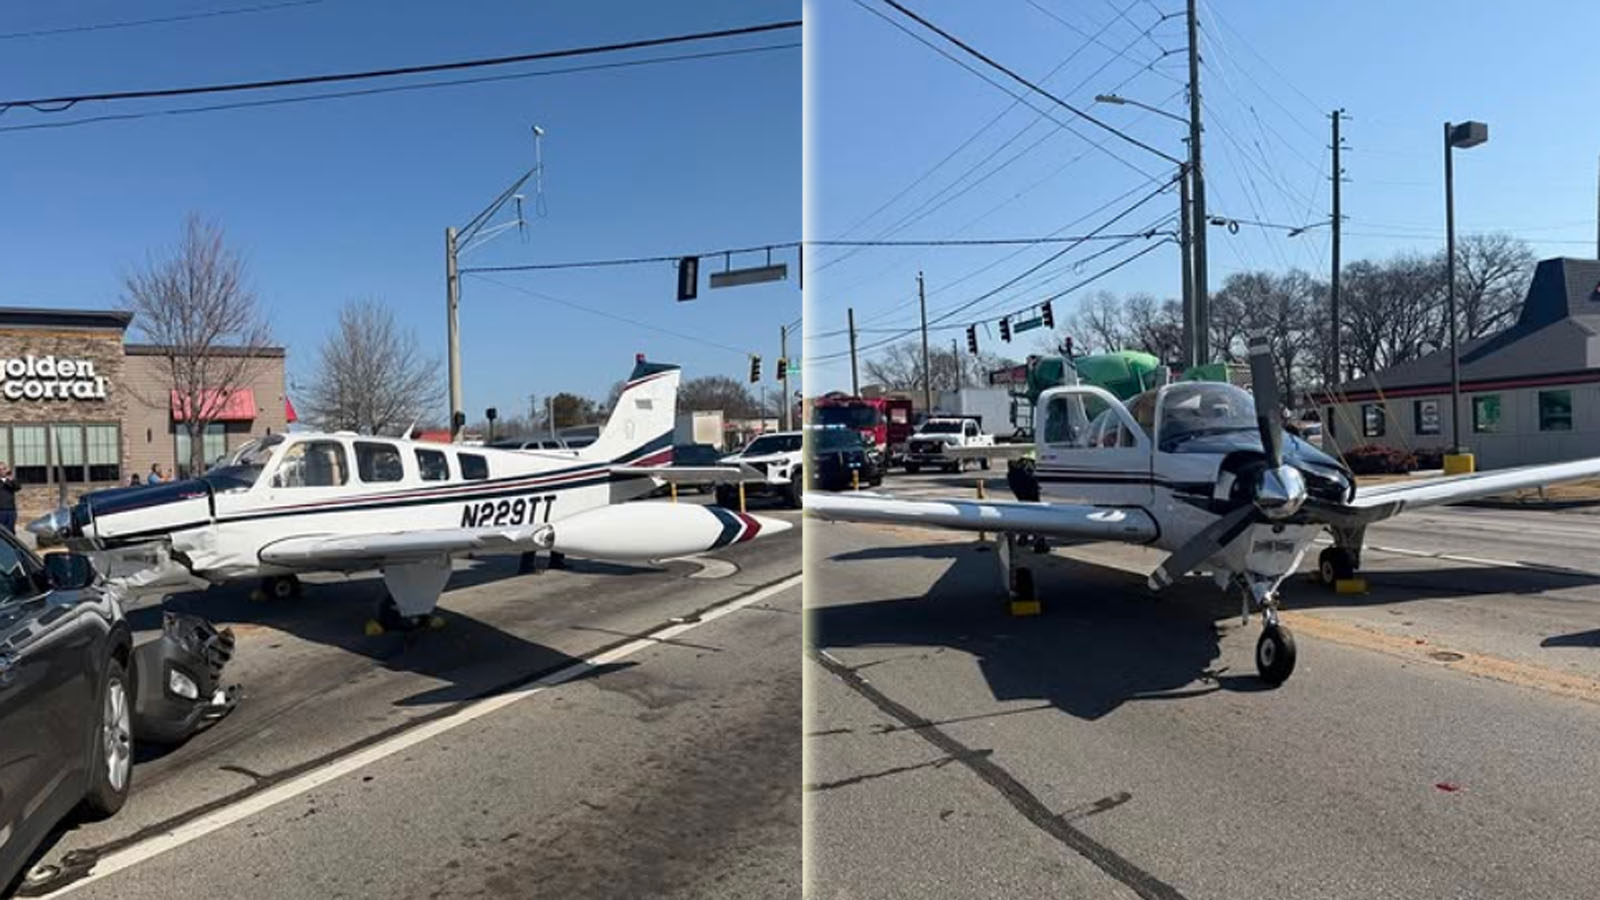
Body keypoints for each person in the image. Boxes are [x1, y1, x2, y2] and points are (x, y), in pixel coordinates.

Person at [0, 464, 18, 535]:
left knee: (11, 531)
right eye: (0, 469)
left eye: (4, 469)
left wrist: (10, 479)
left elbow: (17, 487)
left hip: (11, 510)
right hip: (0, 510)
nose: (2, 471)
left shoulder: (10, 480)